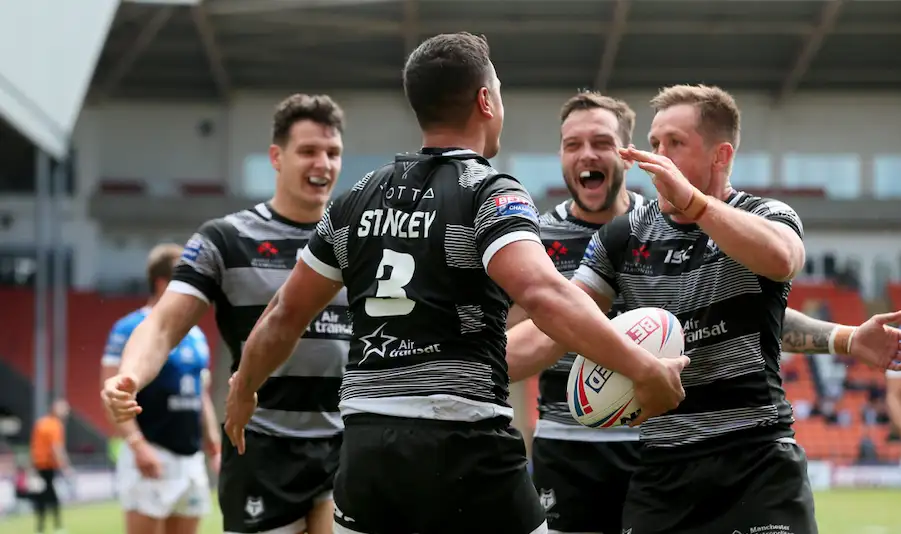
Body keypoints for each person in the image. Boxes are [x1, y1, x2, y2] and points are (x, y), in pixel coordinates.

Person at [220, 32, 688, 534]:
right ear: (486, 100)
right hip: (462, 444)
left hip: (367, 453)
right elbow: (543, 294)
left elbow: (283, 313)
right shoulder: (487, 191)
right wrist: (643, 369)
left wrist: (244, 386)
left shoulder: (354, 198)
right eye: (500, 91)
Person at [506, 84, 901, 534]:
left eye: (675, 143)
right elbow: (560, 324)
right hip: (661, 471)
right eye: (654, 143)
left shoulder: (766, 213)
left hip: (758, 462)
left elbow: (782, 259)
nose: (658, 155)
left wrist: (695, 205)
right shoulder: (623, 236)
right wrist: (472, 371)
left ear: (721, 155)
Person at [101, 94, 350, 534]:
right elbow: (162, 325)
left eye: (333, 153)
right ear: (276, 157)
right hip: (260, 444)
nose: (324, 164)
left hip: (346, 443)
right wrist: (130, 378)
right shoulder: (225, 238)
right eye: (308, 151)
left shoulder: (357, 241)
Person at [100, 243, 219, 534]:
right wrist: (138, 446)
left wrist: (214, 444)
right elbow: (112, 393)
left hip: (190, 459)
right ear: (162, 282)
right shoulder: (129, 328)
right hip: (152, 454)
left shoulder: (196, 334)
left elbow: (200, 394)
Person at [29, 398, 71, 534]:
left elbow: (34, 446)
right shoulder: (54, 425)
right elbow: (57, 448)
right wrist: (66, 467)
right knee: (52, 497)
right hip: (47, 466)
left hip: (38, 466)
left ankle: (40, 528)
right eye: (64, 408)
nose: (66, 412)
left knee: (41, 498)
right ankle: (57, 526)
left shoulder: (41, 423)